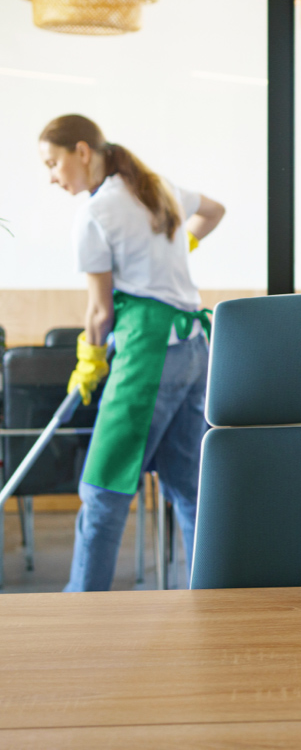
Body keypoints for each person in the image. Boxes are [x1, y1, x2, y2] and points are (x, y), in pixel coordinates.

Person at [39, 114, 225, 591]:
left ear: (83, 152)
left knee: (103, 487)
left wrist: (90, 360)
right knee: (188, 486)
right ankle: (208, 597)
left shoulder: (96, 214)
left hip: (148, 354)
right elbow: (216, 210)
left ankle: (83, 606)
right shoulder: (156, 186)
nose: (53, 177)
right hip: (195, 348)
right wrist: (180, 245)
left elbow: (100, 312)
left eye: (54, 163)